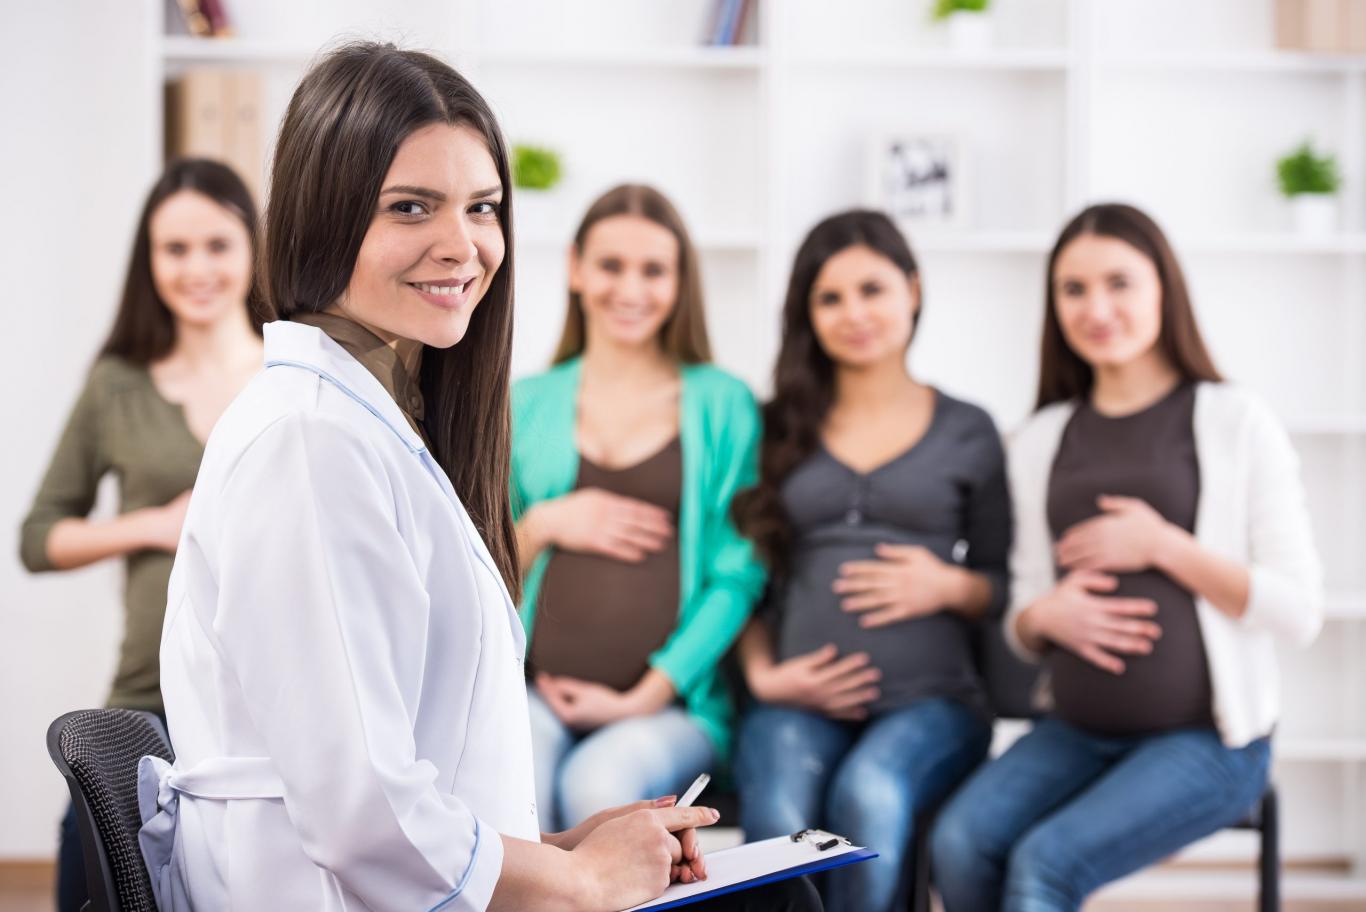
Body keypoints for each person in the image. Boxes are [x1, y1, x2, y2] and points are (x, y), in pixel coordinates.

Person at [136, 43, 819, 912]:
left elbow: (407, 773)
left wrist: (568, 847)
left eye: (484, 208)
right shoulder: (308, 442)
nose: (462, 246)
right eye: (410, 207)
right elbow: (361, 815)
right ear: (322, 216)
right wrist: (574, 879)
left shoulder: (375, 423)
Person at [930, 203, 1324, 912]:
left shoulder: (1235, 420)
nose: (1096, 307)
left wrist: (1163, 546)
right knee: (958, 841)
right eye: (1073, 289)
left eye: (1119, 283)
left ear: (1163, 290)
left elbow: (1299, 611)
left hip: (1211, 742)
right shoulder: (1042, 437)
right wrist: (1047, 615)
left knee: (1043, 866)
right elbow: (1022, 614)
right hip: (1077, 731)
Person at [730, 210, 1007, 911]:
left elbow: (1008, 586)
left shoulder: (969, 429)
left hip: (934, 703)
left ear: (912, 290)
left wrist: (949, 585)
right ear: (807, 315)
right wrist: (766, 677)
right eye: (830, 298)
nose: (854, 313)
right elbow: (737, 574)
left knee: (871, 792)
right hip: (796, 696)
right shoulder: (772, 427)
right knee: (779, 815)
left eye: (872, 290)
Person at [19, 157, 263, 912]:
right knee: (89, 874)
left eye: (217, 245)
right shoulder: (117, 385)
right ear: (148, 261)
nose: (197, 268)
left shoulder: (293, 374)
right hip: (147, 701)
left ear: (252, 248)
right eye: (175, 249)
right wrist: (153, 525)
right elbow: (40, 537)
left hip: (266, 708)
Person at [511, 183, 765, 832]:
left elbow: (737, 575)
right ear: (575, 268)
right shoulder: (525, 402)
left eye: (653, 270)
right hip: (535, 693)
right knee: (517, 791)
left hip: (669, 710)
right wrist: (544, 523)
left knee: (597, 783)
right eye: (610, 266)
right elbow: (481, 566)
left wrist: (641, 697)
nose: (631, 289)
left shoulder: (723, 402)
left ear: (680, 283)